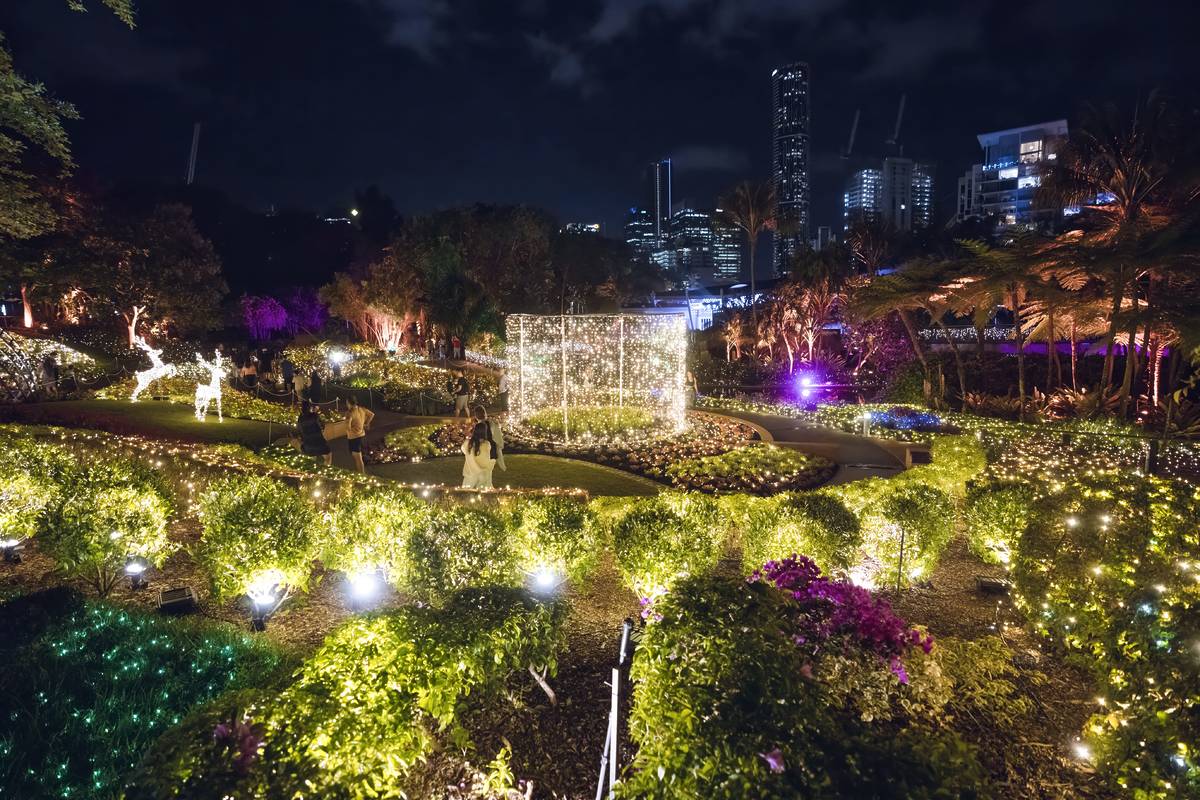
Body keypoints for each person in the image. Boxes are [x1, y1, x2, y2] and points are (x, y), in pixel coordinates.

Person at [461, 419, 497, 490]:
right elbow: (487, 458)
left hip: (470, 474)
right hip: (483, 474)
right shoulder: (487, 444)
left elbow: (464, 451)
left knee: (466, 493)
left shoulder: (468, 444)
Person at [344, 395, 375, 474]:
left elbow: (348, 427)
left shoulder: (349, 413)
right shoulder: (361, 409)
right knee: (359, 458)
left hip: (354, 438)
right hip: (361, 435)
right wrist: (366, 423)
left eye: (347, 403)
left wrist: (348, 426)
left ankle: (362, 475)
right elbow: (372, 414)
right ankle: (361, 473)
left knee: (358, 459)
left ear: (349, 403)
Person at [296, 400, 332, 466]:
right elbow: (322, 426)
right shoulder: (314, 416)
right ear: (310, 408)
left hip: (307, 446)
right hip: (319, 443)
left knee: (312, 456)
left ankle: (313, 468)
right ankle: (326, 468)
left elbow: (299, 431)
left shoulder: (300, 418)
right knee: (328, 456)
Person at [474, 405, 505, 472]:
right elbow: (496, 433)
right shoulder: (490, 423)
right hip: (490, 446)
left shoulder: (486, 423)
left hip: (486, 447)